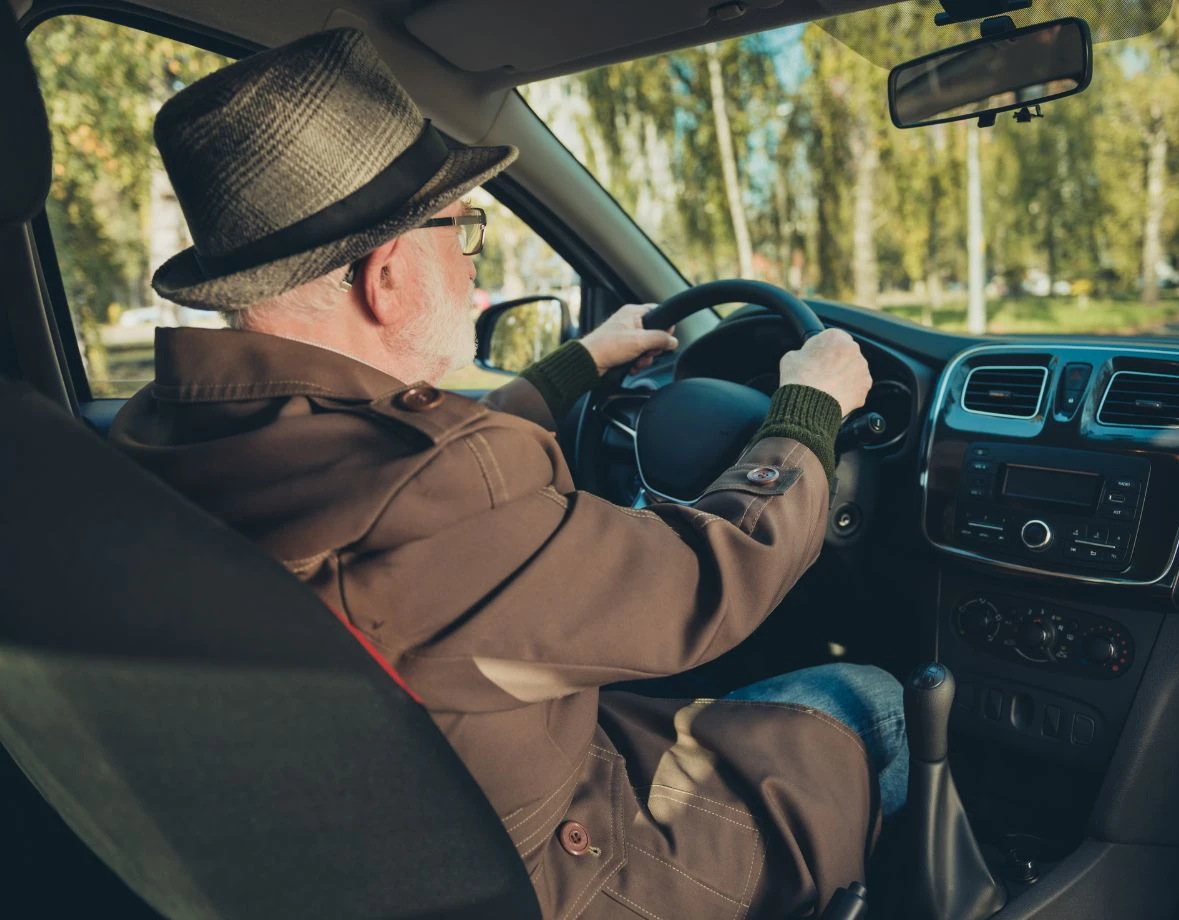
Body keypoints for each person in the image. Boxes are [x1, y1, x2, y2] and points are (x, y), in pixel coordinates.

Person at [110, 28, 907, 919]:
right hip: (568, 867)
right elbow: (709, 578)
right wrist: (809, 409)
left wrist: (580, 365)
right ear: (389, 277)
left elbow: (421, 472)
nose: (473, 262)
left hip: (401, 835)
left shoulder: (168, 439)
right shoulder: (442, 496)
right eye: (464, 230)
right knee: (866, 698)